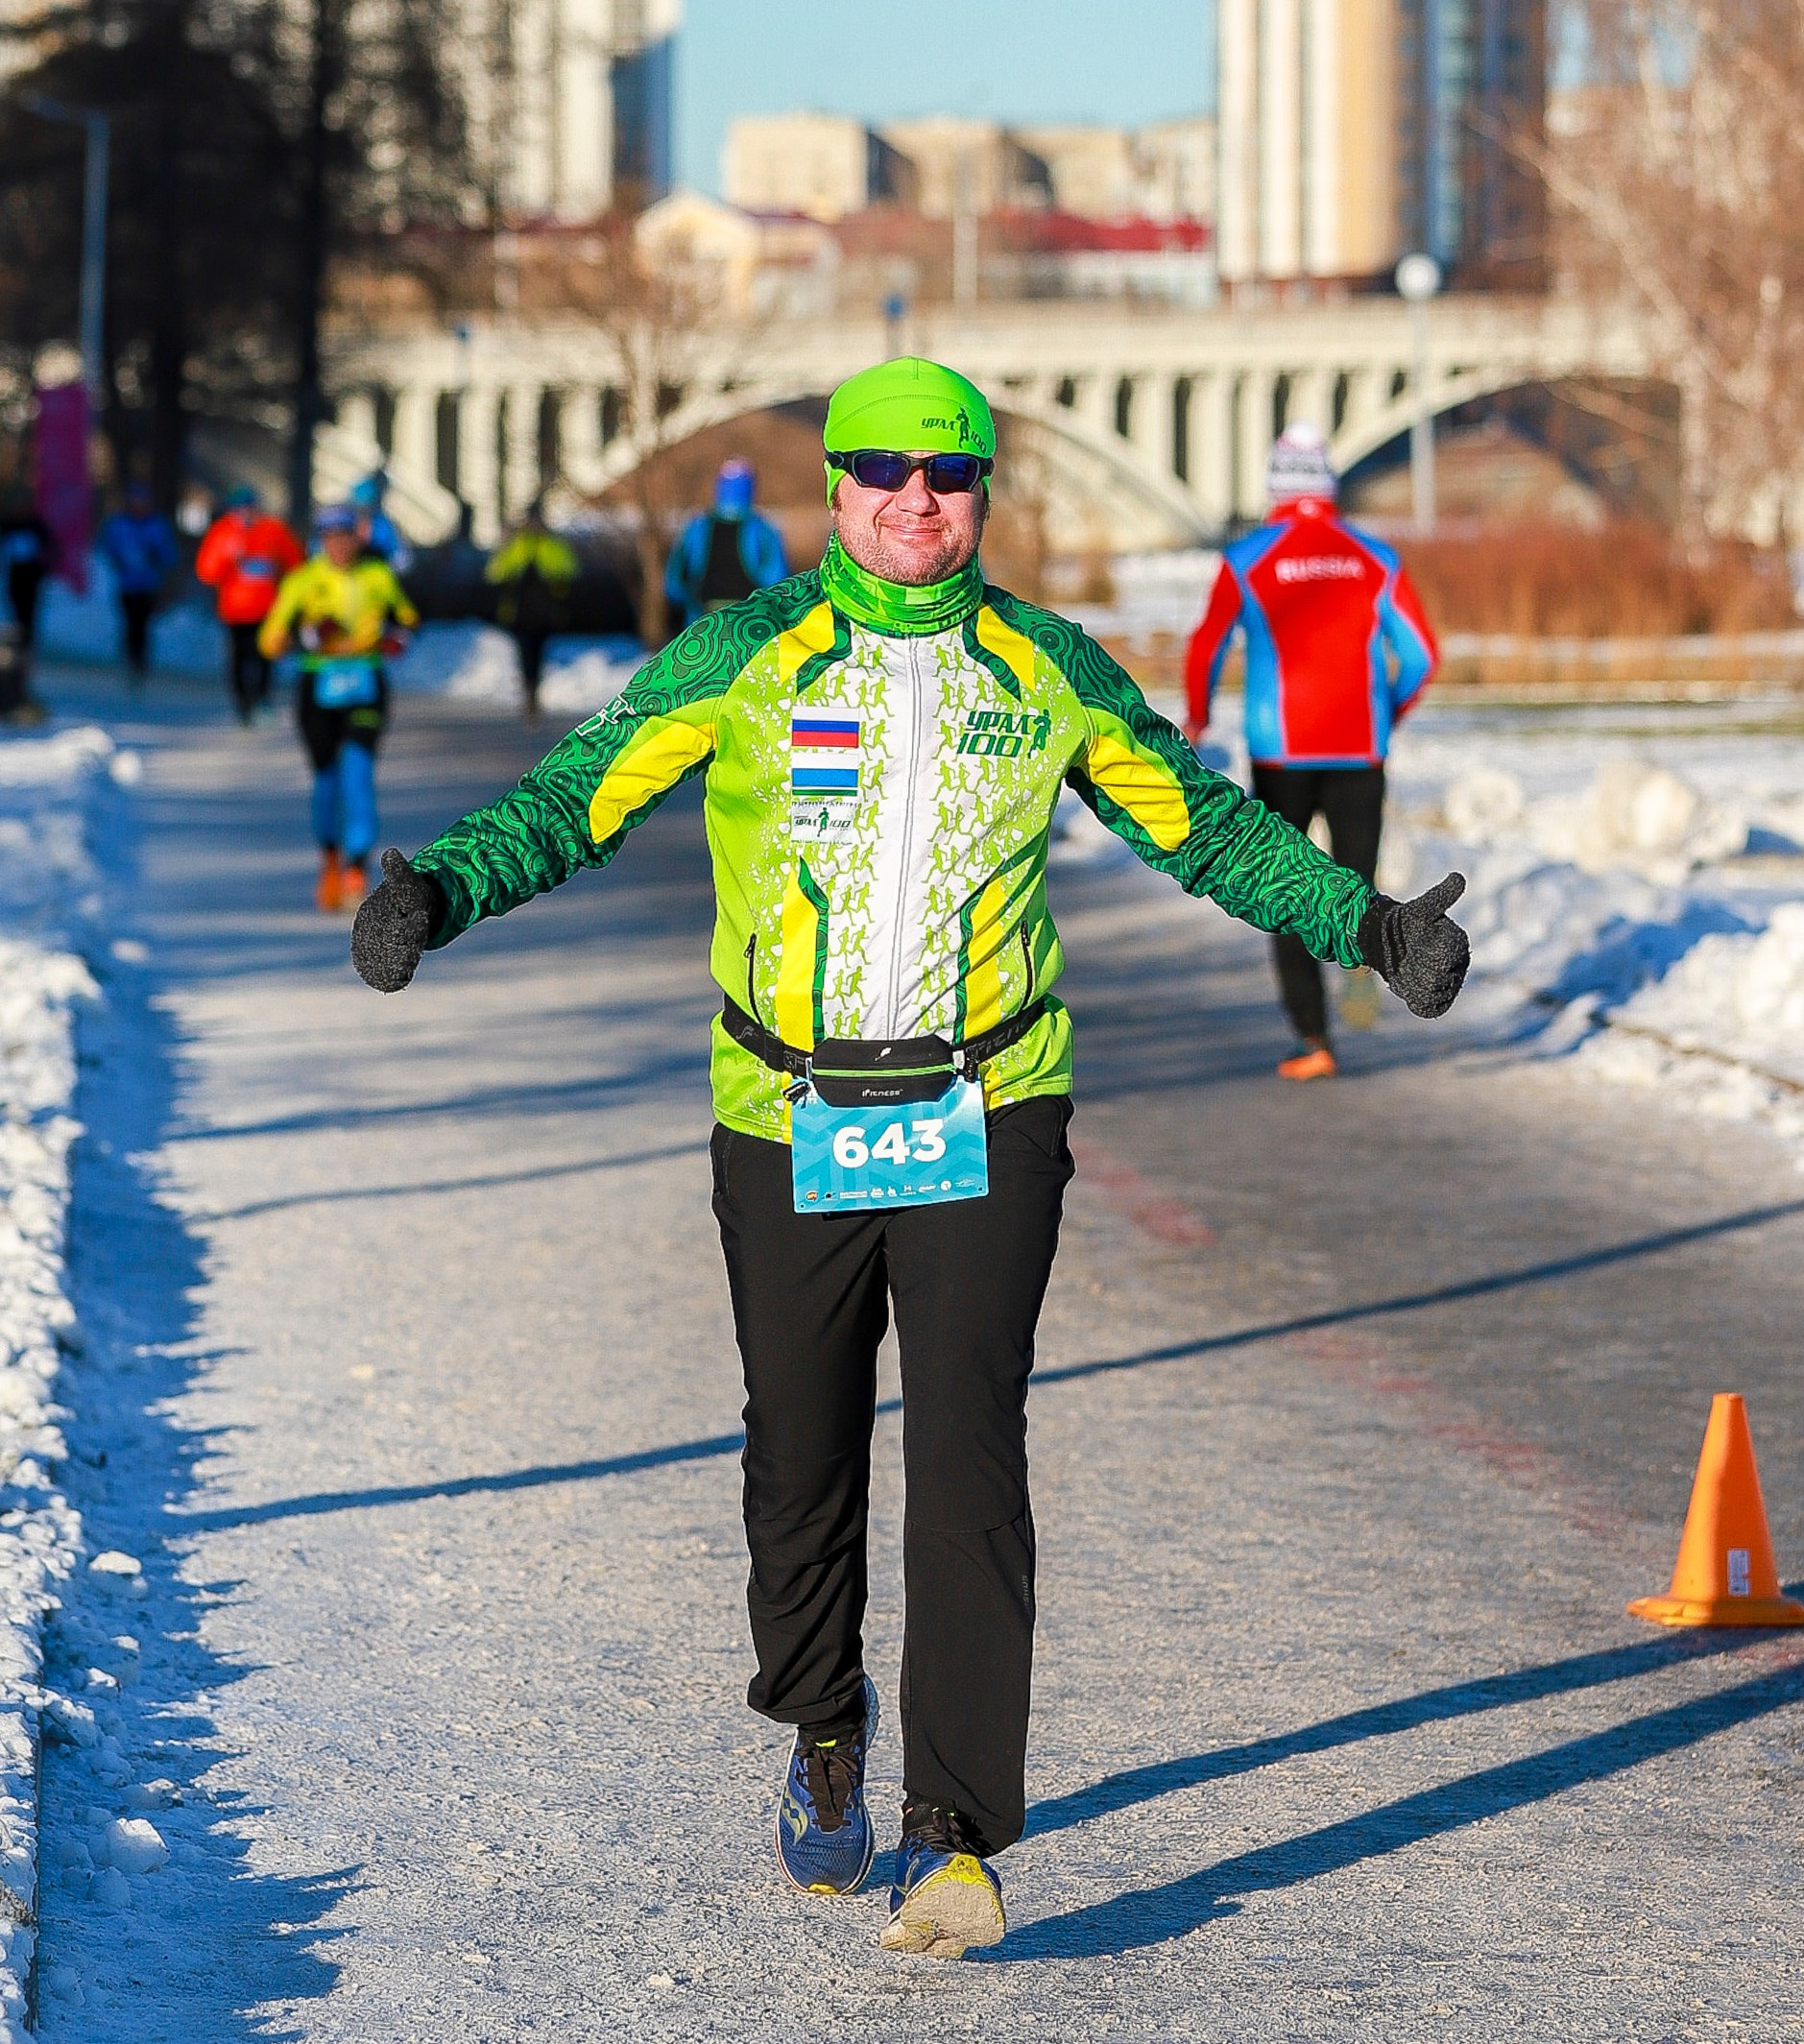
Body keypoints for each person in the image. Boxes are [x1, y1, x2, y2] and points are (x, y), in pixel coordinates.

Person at [349, 360, 1470, 1958]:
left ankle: (959, 1835)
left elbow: (1203, 828)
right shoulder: (746, 656)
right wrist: (440, 891)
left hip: (990, 1106)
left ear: (985, 495)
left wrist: (1365, 923)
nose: (914, 502)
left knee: (968, 1451)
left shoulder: (1048, 668)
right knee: (801, 1452)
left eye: (948, 477)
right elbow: (577, 797)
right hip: (787, 1109)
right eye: (881, 472)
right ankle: (822, 1720)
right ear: (833, 484)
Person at [1185, 422, 1440, 1082]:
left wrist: (1198, 718)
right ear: (1328, 484)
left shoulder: (1247, 559)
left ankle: (1312, 1039)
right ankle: (1360, 956)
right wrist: (1390, 710)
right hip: (1360, 747)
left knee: (1288, 888)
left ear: (1275, 486)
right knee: (1355, 880)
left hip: (1280, 752)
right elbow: (1420, 655)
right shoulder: (1374, 557)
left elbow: (1206, 645)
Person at [260, 504, 419, 912]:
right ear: (321, 541)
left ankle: (357, 867)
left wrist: (396, 636)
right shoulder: (303, 581)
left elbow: (408, 619)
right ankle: (329, 857)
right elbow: (270, 638)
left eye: (345, 537)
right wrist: (303, 636)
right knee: (327, 780)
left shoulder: (378, 576)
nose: (339, 546)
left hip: (366, 683)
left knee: (359, 773)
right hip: (318, 687)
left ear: (356, 538)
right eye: (331, 538)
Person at [197, 487, 305, 724]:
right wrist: (227, 558)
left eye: (249, 507)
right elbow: (206, 572)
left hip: (268, 608)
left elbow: (296, 563)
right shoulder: (222, 531)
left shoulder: (273, 530)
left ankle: (262, 701)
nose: (246, 513)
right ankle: (242, 705)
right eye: (240, 508)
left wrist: (282, 578)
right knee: (238, 658)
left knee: (265, 656)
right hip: (234, 611)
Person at [663, 460, 788, 632]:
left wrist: (685, 602)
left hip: (702, 621)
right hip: (748, 622)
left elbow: (675, 581)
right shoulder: (763, 529)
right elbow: (777, 579)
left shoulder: (696, 526)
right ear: (750, 487)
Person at [485, 499, 580, 717]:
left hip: (545, 613)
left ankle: (533, 692)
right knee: (525, 653)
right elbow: (495, 572)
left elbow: (569, 569)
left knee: (538, 654)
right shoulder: (517, 544)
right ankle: (529, 693)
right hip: (520, 613)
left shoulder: (552, 545)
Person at [98, 479, 176, 681]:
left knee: (143, 624)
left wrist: (155, 555)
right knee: (129, 623)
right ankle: (129, 659)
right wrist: (120, 560)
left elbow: (169, 555)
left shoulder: (157, 525)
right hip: (127, 584)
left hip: (148, 585)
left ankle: (141, 661)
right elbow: (108, 548)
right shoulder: (119, 525)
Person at [1, 493, 51, 677]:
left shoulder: (36, 526)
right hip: (15, 578)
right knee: (16, 615)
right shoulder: (10, 525)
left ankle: (28, 650)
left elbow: (49, 548)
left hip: (32, 580)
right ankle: (17, 648)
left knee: (29, 614)